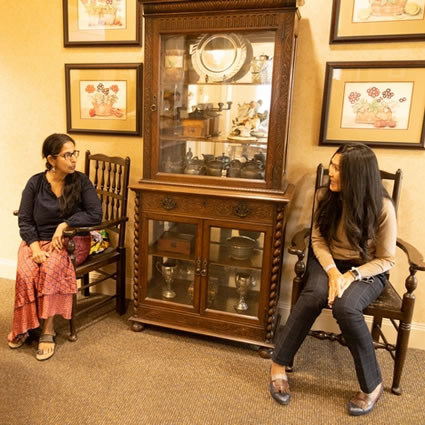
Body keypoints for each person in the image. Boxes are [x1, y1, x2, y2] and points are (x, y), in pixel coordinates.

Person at [269, 143, 397, 416]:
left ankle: (372, 385)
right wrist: (332, 272)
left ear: (357, 175)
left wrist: (351, 275)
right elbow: (317, 239)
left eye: (338, 169)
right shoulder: (324, 196)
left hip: (366, 269)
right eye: (332, 165)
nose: (331, 173)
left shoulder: (383, 207)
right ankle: (278, 364)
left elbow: (386, 259)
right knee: (313, 295)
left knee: (346, 307)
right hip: (327, 261)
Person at [8, 133, 102, 361]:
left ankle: (48, 329)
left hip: (71, 241)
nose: (73, 160)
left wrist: (65, 224)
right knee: (26, 271)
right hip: (37, 240)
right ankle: (26, 325)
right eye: (67, 155)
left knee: (50, 269)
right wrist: (34, 247)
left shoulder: (81, 181)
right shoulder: (35, 183)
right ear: (51, 160)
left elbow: (95, 213)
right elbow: (25, 220)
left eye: (74, 153)